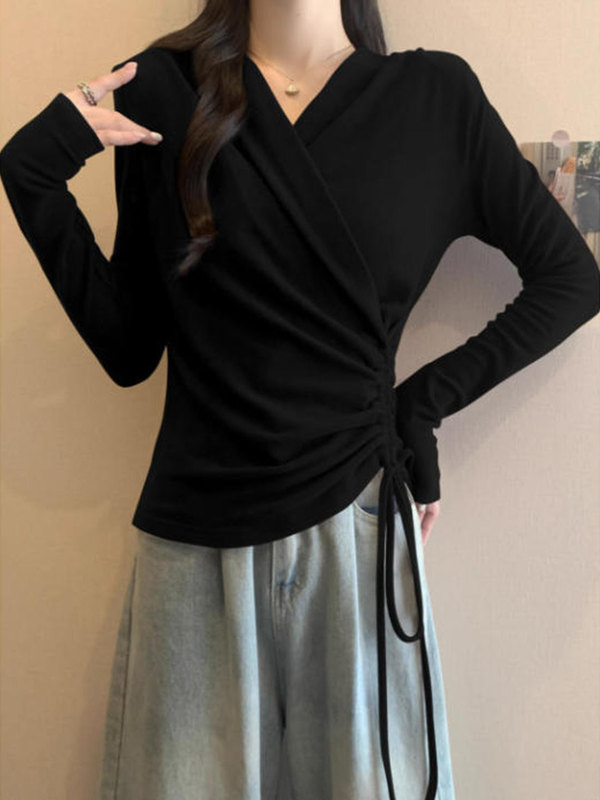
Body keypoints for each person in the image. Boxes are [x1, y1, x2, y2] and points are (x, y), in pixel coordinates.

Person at [1, 1, 598, 798]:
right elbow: (128, 346)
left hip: (360, 535)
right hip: (195, 549)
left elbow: (569, 280)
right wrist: (34, 172)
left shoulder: (433, 98)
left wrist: (421, 404)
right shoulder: (165, 89)